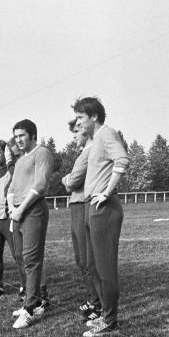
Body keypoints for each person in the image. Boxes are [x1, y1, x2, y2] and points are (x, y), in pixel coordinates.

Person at [74, 97, 130, 337]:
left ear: (94, 116)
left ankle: (110, 322)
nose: (77, 123)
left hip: (103, 207)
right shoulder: (96, 140)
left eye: (80, 117)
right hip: (91, 206)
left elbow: (123, 160)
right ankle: (105, 316)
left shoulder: (107, 133)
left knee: (106, 269)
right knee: (94, 266)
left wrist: (107, 192)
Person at [8, 120, 55, 329]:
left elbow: (40, 185)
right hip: (17, 212)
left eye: (22, 135)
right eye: (16, 136)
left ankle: (29, 310)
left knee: (31, 258)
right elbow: (12, 186)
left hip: (33, 210)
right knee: (19, 255)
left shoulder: (42, 153)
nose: (18, 140)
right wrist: (12, 208)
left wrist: (21, 209)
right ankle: (34, 301)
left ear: (33, 135)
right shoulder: (20, 160)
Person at [61, 119, 100, 322]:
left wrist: (66, 179)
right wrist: (69, 178)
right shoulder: (83, 153)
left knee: (87, 259)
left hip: (83, 204)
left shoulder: (90, 152)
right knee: (81, 259)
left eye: (77, 132)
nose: (74, 136)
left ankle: (98, 303)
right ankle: (92, 298)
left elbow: (73, 181)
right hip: (76, 206)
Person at [0, 140, 27, 298]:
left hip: (9, 219)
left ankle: (25, 287)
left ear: (5, 153)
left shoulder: (12, 171)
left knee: (17, 254)